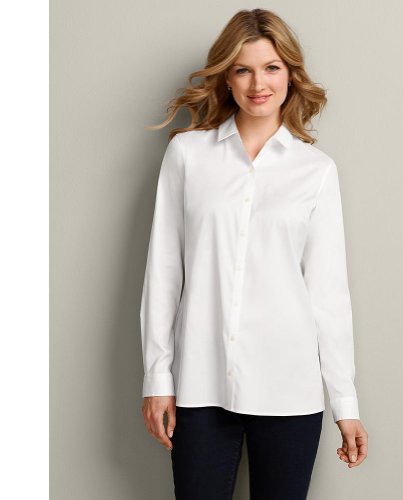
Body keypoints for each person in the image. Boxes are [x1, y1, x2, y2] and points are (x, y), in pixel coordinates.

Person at [140, 8, 368, 500]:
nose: (258, 83)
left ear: (291, 75)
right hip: (201, 385)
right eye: (243, 69)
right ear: (227, 78)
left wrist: (345, 403)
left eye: (271, 68)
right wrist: (157, 377)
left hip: (290, 389)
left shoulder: (316, 171)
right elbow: (164, 273)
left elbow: (328, 295)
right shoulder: (187, 155)